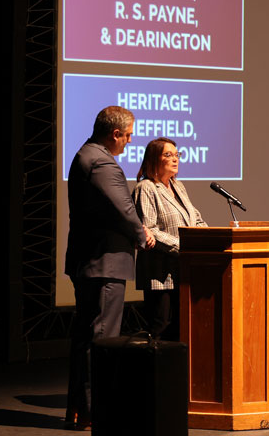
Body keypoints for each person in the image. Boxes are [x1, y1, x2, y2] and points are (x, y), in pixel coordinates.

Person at [64, 106, 155, 430]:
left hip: (92, 262)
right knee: (101, 339)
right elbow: (124, 209)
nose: (129, 143)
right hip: (103, 263)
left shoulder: (85, 155)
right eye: (128, 136)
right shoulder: (102, 161)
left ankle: (78, 410)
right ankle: (93, 412)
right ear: (115, 133)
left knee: (87, 338)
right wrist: (143, 235)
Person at [134, 137, 207, 341]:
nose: (175, 159)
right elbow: (149, 229)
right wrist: (185, 246)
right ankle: (157, 372)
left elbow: (196, 219)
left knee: (180, 328)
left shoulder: (178, 186)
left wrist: (208, 237)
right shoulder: (146, 188)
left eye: (177, 155)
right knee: (161, 327)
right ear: (153, 159)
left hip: (182, 272)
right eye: (168, 155)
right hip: (159, 274)